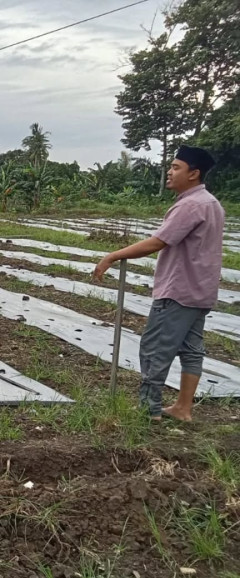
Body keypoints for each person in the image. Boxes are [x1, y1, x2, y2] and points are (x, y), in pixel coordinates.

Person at [93, 145, 223, 422]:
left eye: (176, 167)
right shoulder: (212, 203)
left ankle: (149, 409)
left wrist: (113, 255)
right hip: (200, 290)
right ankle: (183, 408)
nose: (170, 171)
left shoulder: (190, 205)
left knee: (155, 348)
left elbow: (157, 242)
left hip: (179, 291)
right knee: (191, 349)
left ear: (193, 174)